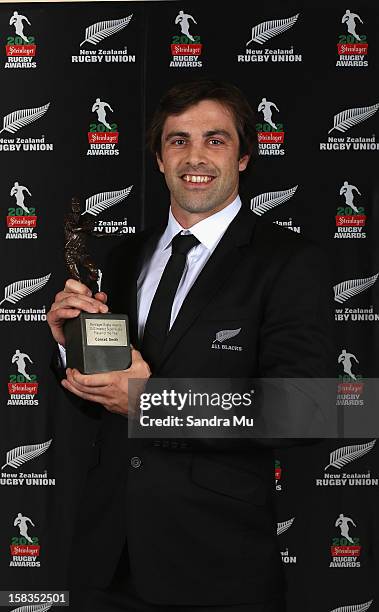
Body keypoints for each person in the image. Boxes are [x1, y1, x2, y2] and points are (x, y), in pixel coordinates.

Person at [47, 79, 332, 611]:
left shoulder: (291, 262)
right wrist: (71, 350)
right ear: (158, 158)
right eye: (178, 141)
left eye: (215, 140)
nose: (194, 156)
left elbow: (311, 410)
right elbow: (104, 402)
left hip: (218, 569)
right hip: (105, 563)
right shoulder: (123, 255)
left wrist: (153, 402)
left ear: (245, 156)